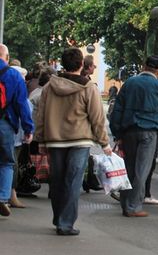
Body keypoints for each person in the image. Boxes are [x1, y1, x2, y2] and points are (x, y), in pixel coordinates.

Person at [34, 47, 111, 235]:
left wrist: (41, 140)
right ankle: (65, 223)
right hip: (80, 140)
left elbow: (41, 115)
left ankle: (59, 217)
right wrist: (104, 143)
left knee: (57, 181)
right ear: (81, 64)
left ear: (63, 63)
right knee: (73, 181)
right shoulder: (88, 87)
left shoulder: (49, 87)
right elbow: (97, 118)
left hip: (55, 140)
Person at [109, 55, 158, 218]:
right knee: (141, 170)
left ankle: (125, 204)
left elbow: (118, 109)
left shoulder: (130, 83)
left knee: (128, 169)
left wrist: (117, 132)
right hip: (149, 131)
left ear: (144, 66)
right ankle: (134, 207)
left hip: (129, 131)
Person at [0, 44, 34, 217]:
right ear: (7, 57)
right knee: (6, 162)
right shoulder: (14, 75)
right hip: (5, 124)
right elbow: (22, 105)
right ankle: (3, 198)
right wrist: (28, 128)